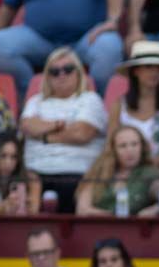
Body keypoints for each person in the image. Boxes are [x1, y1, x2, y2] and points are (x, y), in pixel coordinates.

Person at [19, 48, 109, 213]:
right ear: (47, 76)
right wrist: (57, 125)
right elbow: (27, 126)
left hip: (78, 175)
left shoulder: (90, 99)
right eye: (54, 71)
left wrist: (44, 136)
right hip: (36, 174)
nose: (62, 75)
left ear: (79, 73)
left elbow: (82, 133)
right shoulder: (35, 101)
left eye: (68, 69)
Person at [0, 0, 125, 97]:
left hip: (85, 39)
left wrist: (112, 20)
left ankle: (98, 102)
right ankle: (31, 96)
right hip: (39, 39)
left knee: (110, 47)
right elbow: (7, 8)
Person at [107, 41, 159, 168]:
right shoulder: (119, 106)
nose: (154, 72)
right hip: (126, 174)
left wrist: (148, 165)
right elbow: (110, 146)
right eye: (148, 67)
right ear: (135, 71)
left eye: (158, 67)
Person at [76, 125, 159, 216]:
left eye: (134, 144)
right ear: (113, 150)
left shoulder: (151, 174)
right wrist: (114, 219)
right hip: (100, 227)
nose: (130, 150)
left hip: (136, 228)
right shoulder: (99, 173)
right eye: (123, 146)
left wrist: (155, 209)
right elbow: (83, 210)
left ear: (142, 147)